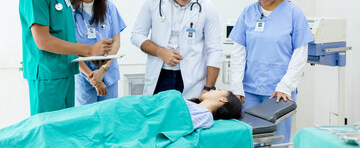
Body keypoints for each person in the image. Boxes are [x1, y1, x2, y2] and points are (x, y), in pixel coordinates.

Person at [19, 0, 113, 116]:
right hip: (47, 75)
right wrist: (87, 50)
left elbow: (64, 33)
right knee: (48, 134)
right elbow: (43, 41)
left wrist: (92, 56)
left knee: (64, 132)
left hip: (66, 71)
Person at [229, 0, 314, 144]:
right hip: (249, 90)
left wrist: (286, 85)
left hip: (279, 92)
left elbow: (300, 53)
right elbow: (238, 52)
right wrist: (237, 85)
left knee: (278, 141)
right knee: (248, 139)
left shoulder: (293, 13)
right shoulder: (248, 13)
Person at [0, 90, 246, 148]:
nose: (212, 89)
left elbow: (169, 126)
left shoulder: (204, 115)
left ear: (224, 100)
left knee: (49, 127)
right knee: (48, 122)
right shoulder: (195, 108)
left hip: (118, 119)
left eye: (218, 90)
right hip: (119, 110)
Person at [131, 0, 223, 99]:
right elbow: (136, 35)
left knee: (189, 118)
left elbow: (215, 50)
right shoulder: (153, 1)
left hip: (193, 79)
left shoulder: (207, 7)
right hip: (160, 76)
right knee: (159, 117)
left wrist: (209, 87)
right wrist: (160, 52)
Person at [70, 0, 127, 106]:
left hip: (108, 73)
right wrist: (93, 78)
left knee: (109, 117)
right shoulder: (69, 13)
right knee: (86, 120)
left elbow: (116, 42)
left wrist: (103, 71)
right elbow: (71, 50)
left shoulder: (109, 8)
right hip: (84, 76)